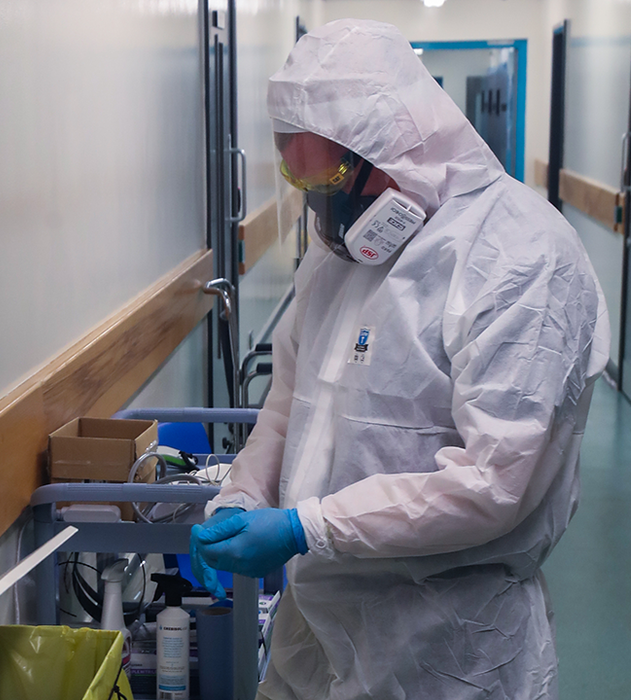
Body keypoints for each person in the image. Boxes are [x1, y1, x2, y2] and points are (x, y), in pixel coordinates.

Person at [190, 20, 609, 700]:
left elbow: (493, 484)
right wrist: (241, 498)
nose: (318, 199)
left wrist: (305, 527)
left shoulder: (517, 258)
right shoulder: (340, 258)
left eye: (328, 170)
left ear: (394, 148)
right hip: (313, 636)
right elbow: (288, 403)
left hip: (448, 650)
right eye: (298, 171)